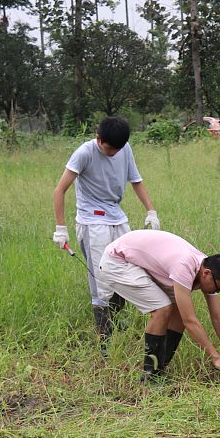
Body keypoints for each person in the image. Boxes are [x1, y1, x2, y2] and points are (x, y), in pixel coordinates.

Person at [52, 116, 159, 346]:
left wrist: (151, 211)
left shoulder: (124, 148)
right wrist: (61, 228)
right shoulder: (84, 153)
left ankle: (115, 319)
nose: (113, 154)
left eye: (117, 149)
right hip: (92, 222)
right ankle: (104, 342)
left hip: (117, 218)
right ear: (98, 139)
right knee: (101, 282)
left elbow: (136, 181)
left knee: (129, 271)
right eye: (110, 149)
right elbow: (60, 190)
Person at [94, 229, 220, 380]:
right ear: (207, 273)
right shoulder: (184, 266)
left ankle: (159, 369)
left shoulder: (210, 270)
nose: (219, 291)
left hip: (136, 259)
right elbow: (190, 320)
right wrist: (216, 358)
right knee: (163, 309)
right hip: (116, 261)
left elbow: (217, 318)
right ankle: (150, 375)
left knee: (177, 314)